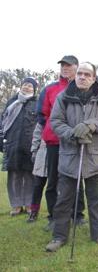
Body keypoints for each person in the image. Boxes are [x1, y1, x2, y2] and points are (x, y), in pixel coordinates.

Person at [45, 62, 98, 252]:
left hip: (95, 157)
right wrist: (73, 133)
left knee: (97, 199)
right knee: (64, 201)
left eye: (87, 74)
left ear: (94, 78)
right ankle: (59, 236)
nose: (82, 77)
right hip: (69, 156)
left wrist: (90, 125)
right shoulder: (64, 97)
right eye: (80, 74)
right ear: (75, 76)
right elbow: (56, 121)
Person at [37, 55, 86, 230]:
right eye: (63, 65)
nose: (65, 68)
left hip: (76, 142)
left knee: (77, 178)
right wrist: (54, 129)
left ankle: (78, 214)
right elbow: (42, 115)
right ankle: (53, 216)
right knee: (53, 180)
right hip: (54, 142)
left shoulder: (83, 87)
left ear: (77, 67)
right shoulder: (50, 89)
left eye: (69, 65)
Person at [0, 77, 38, 216]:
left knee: (29, 175)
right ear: (21, 86)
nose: (27, 87)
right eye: (25, 85)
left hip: (29, 145)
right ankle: (16, 205)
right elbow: (3, 123)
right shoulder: (12, 102)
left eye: (30, 86)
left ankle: (29, 204)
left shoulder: (36, 103)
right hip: (12, 144)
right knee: (14, 175)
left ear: (34, 90)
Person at [27, 123, 48, 222]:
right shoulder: (42, 120)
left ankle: (55, 214)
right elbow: (37, 134)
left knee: (56, 188)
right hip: (42, 154)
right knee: (37, 185)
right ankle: (34, 212)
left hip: (58, 155)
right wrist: (34, 150)